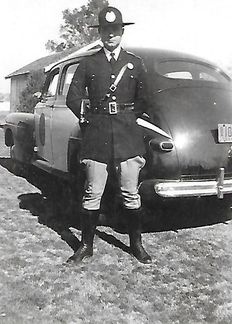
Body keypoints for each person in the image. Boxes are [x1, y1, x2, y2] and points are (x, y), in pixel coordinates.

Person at [66, 6, 152, 264]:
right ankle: (85, 245)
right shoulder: (88, 63)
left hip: (127, 137)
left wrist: (125, 116)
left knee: (130, 192)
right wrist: (89, 119)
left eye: (115, 30)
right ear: (100, 32)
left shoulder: (134, 63)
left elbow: (144, 100)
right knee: (92, 192)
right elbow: (73, 98)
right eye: (105, 30)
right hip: (97, 135)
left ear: (122, 32)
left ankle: (136, 245)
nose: (110, 35)